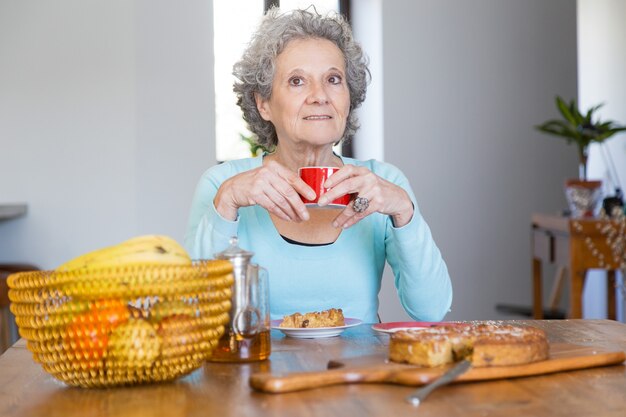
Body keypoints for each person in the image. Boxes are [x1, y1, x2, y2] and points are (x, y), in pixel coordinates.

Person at [185, 7, 452, 323]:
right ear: (263, 103)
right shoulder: (222, 185)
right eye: (297, 80)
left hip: (357, 372)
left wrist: (404, 213)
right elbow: (193, 312)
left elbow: (430, 311)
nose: (320, 96)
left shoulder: (383, 183)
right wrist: (226, 204)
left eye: (333, 79)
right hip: (256, 370)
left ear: (348, 96)